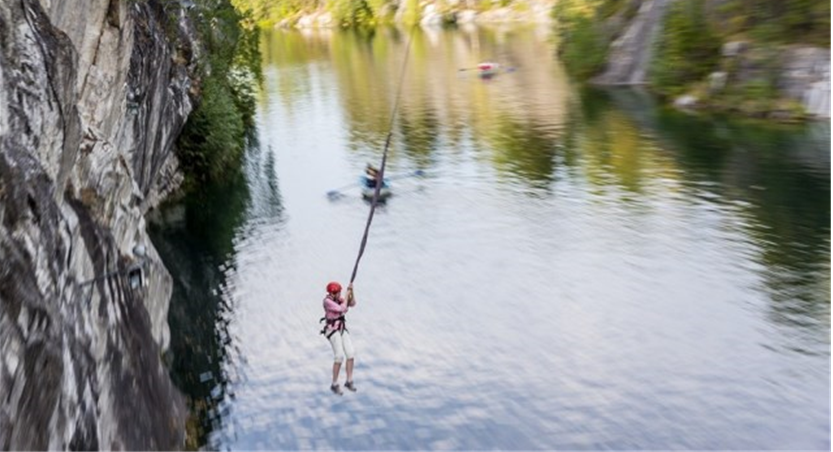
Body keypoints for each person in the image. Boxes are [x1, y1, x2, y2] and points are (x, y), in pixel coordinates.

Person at [321, 281, 357, 395]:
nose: (340, 294)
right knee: (339, 356)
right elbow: (342, 309)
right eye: (339, 292)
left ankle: (349, 381)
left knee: (350, 354)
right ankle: (334, 384)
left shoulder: (339, 299)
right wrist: (346, 296)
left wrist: (351, 291)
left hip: (341, 329)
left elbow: (352, 303)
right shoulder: (327, 302)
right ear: (333, 293)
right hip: (332, 331)